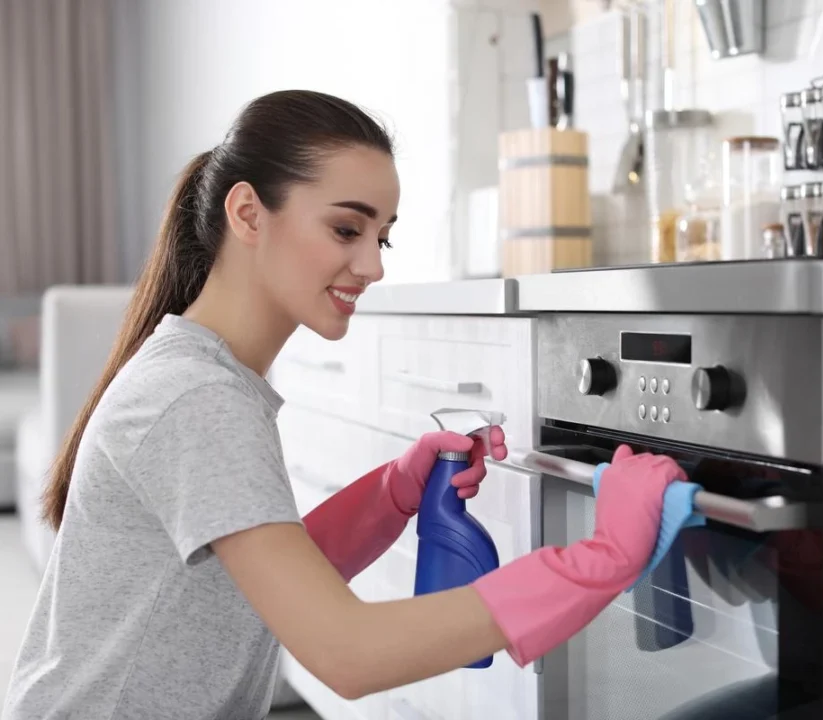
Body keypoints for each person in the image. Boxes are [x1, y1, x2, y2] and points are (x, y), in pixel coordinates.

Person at [2, 90, 684, 720]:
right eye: (346, 230)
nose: (374, 265)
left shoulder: (210, 376)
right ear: (247, 214)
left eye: (380, 236)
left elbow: (260, 589)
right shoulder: (196, 397)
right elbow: (347, 653)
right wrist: (603, 556)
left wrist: (391, 494)